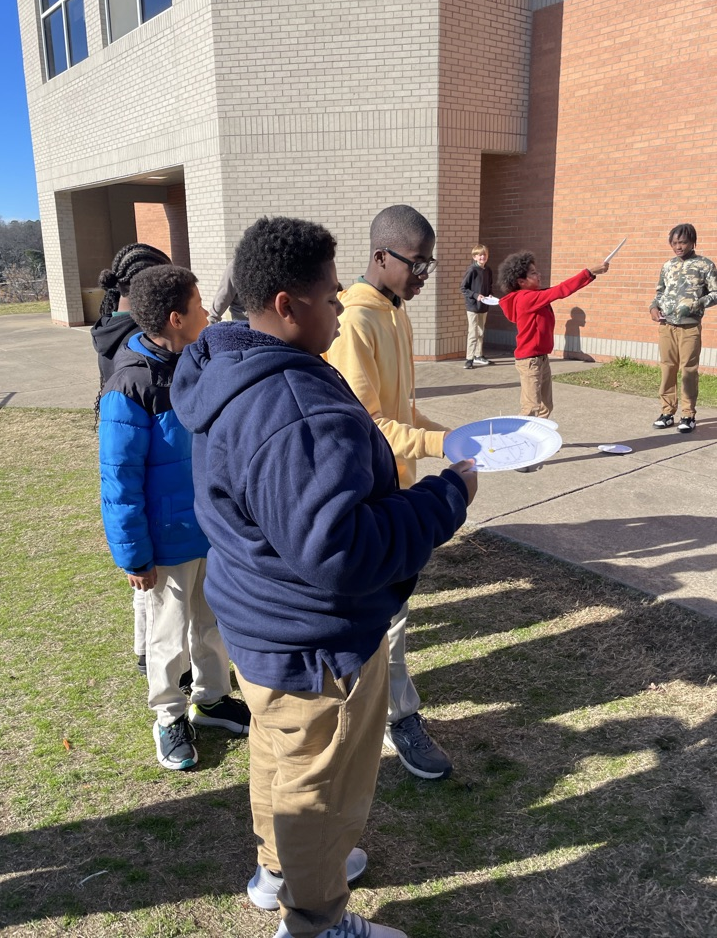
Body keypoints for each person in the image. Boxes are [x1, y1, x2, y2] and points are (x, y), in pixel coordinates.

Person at [171, 216, 476, 938]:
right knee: (320, 787)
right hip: (314, 640)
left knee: (281, 755)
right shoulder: (294, 407)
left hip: (261, 621)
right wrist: (446, 496)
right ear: (285, 304)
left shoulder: (228, 368)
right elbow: (342, 550)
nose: (339, 308)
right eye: (329, 297)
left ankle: (278, 870)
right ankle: (315, 920)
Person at [98, 265, 250, 771]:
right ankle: (169, 716)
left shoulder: (197, 364)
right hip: (165, 544)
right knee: (167, 634)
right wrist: (134, 555)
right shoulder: (129, 386)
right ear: (175, 317)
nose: (208, 312)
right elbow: (119, 482)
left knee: (212, 624)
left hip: (210, 531)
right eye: (200, 305)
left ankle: (211, 698)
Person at [323, 204, 456, 781]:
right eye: (417, 263)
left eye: (430, 263)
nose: (424, 274)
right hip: (368, 494)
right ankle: (401, 720)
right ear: (381, 256)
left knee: (391, 615)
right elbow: (368, 422)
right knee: (388, 619)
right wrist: (440, 447)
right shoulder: (356, 320)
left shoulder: (395, 312)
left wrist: (461, 439)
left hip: (398, 488)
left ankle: (381, 707)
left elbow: (402, 411)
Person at [91, 242, 172, 675]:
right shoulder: (134, 341)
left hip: (129, 446)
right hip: (135, 448)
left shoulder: (110, 324)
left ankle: (145, 648)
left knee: (146, 577)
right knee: (149, 575)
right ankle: (150, 654)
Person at [498, 251, 609, 418]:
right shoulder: (525, 298)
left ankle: (538, 440)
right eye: (533, 273)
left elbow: (556, 291)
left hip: (541, 358)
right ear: (521, 281)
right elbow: (560, 290)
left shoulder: (535, 296)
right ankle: (520, 440)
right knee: (530, 408)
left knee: (545, 407)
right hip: (530, 362)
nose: (539, 274)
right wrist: (589, 272)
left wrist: (589, 276)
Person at [649, 223, 717, 432]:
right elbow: (660, 291)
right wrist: (653, 307)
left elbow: (715, 293)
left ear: (692, 242)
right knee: (667, 367)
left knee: (688, 370)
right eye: (675, 243)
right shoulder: (668, 266)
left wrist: (697, 303)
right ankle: (667, 411)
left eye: (683, 242)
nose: (678, 247)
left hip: (690, 327)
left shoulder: (705, 265)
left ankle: (688, 415)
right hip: (666, 325)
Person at [460, 243, 495, 368]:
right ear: (474, 257)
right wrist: (476, 295)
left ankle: (478, 355)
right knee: (473, 333)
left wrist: (490, 294)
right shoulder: (472, 270)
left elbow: (489, 286)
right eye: (479, 255)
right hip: (473, 306)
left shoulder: (488, 270)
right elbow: (463, 288)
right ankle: (469, 359)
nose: (482, 257)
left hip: (484, 306)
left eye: (484, 255)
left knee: (481, 331)